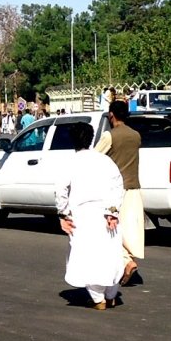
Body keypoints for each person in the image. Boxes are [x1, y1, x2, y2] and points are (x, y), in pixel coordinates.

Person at [56, 122, 125, 309]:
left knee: (87, 255)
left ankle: (98, 299)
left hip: (82, 216)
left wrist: (63, 214)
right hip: (105, 214)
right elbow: (118, 185)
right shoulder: (105, 161)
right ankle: (111, 295)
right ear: (91, 138)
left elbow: (61, 190)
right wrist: (113, 212)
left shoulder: (70, 162)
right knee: (109, 254)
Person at [94, 101, 142, 285]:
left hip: (115, 190)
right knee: (128, 230)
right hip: (134, 188)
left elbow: (94, 158)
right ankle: (126, 262)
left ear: (111, 115)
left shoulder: (109, 136)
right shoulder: (136, 135)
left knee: (110, 229)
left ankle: (126, 261)